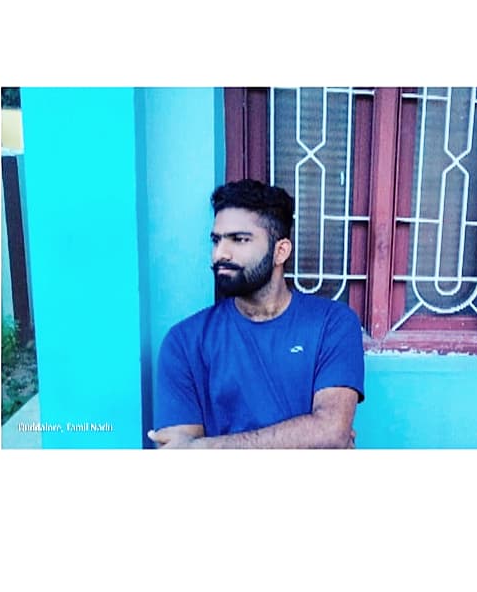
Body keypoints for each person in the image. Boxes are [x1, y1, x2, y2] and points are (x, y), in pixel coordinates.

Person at [148, 179, 364, 449]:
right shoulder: (184, 341)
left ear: (280, 251)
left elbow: (331, 432)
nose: (220, 254)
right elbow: (179, 456)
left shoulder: (332, 324)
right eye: (216, 240)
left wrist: (204, 448)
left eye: (239, 240)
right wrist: (308, 438)